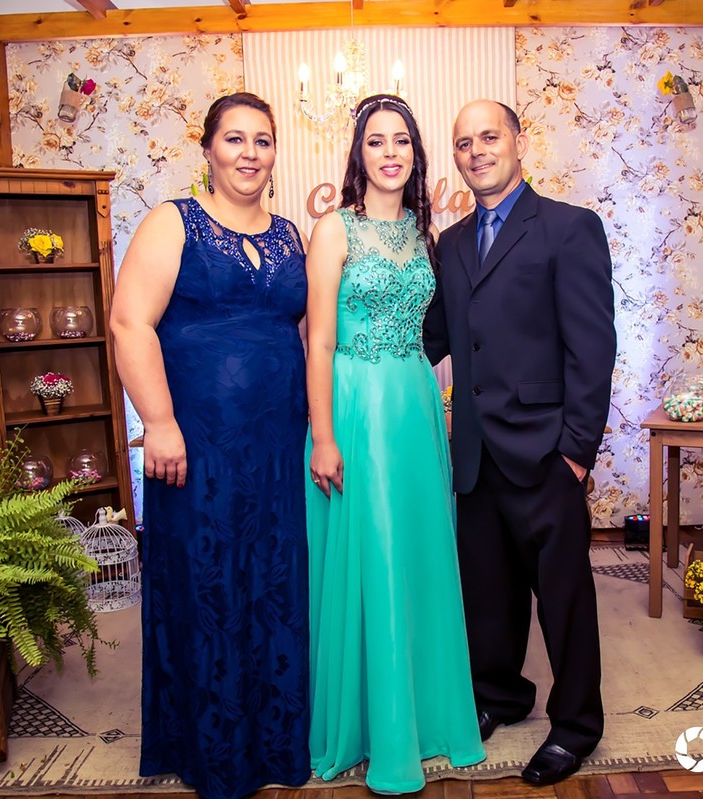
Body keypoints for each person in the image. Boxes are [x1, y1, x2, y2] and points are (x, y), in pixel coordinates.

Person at [109, 92, 311, 799]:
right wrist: (159, 422)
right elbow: (129, 322)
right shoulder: (173, 221)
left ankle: (278, 741)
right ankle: (215, 751)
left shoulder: (289, 234)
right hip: (196, 447)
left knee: (274, 584)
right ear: (208, 149)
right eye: (235, 138)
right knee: (208, 584)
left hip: (279, 447)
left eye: (263, 140)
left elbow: (310, 333)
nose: (250, 153)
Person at [423, 99, 617, 785]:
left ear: (519, 142)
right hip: (475, 453)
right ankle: (500, 695)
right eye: (463, 142)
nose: (476, 151)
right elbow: (433, 337)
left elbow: (592, 348)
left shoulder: (569, 228)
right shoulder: (450, 244)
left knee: (563, 599)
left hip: (546, 452)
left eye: (489, 137)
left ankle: (576, 725)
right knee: (488, 593)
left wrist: (576, 453)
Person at [304, 94, 486, 794]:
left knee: (418, 554)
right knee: (373, 554)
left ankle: (426, 716)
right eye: (376, 141)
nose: (390, 153)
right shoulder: (334, 229)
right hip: (356, 406)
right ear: (359, 154)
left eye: (401, 141)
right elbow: (319, 341)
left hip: (413, 404)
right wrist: (324, 435)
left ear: (416, 154)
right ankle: (374, 731)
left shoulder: (423, 232)